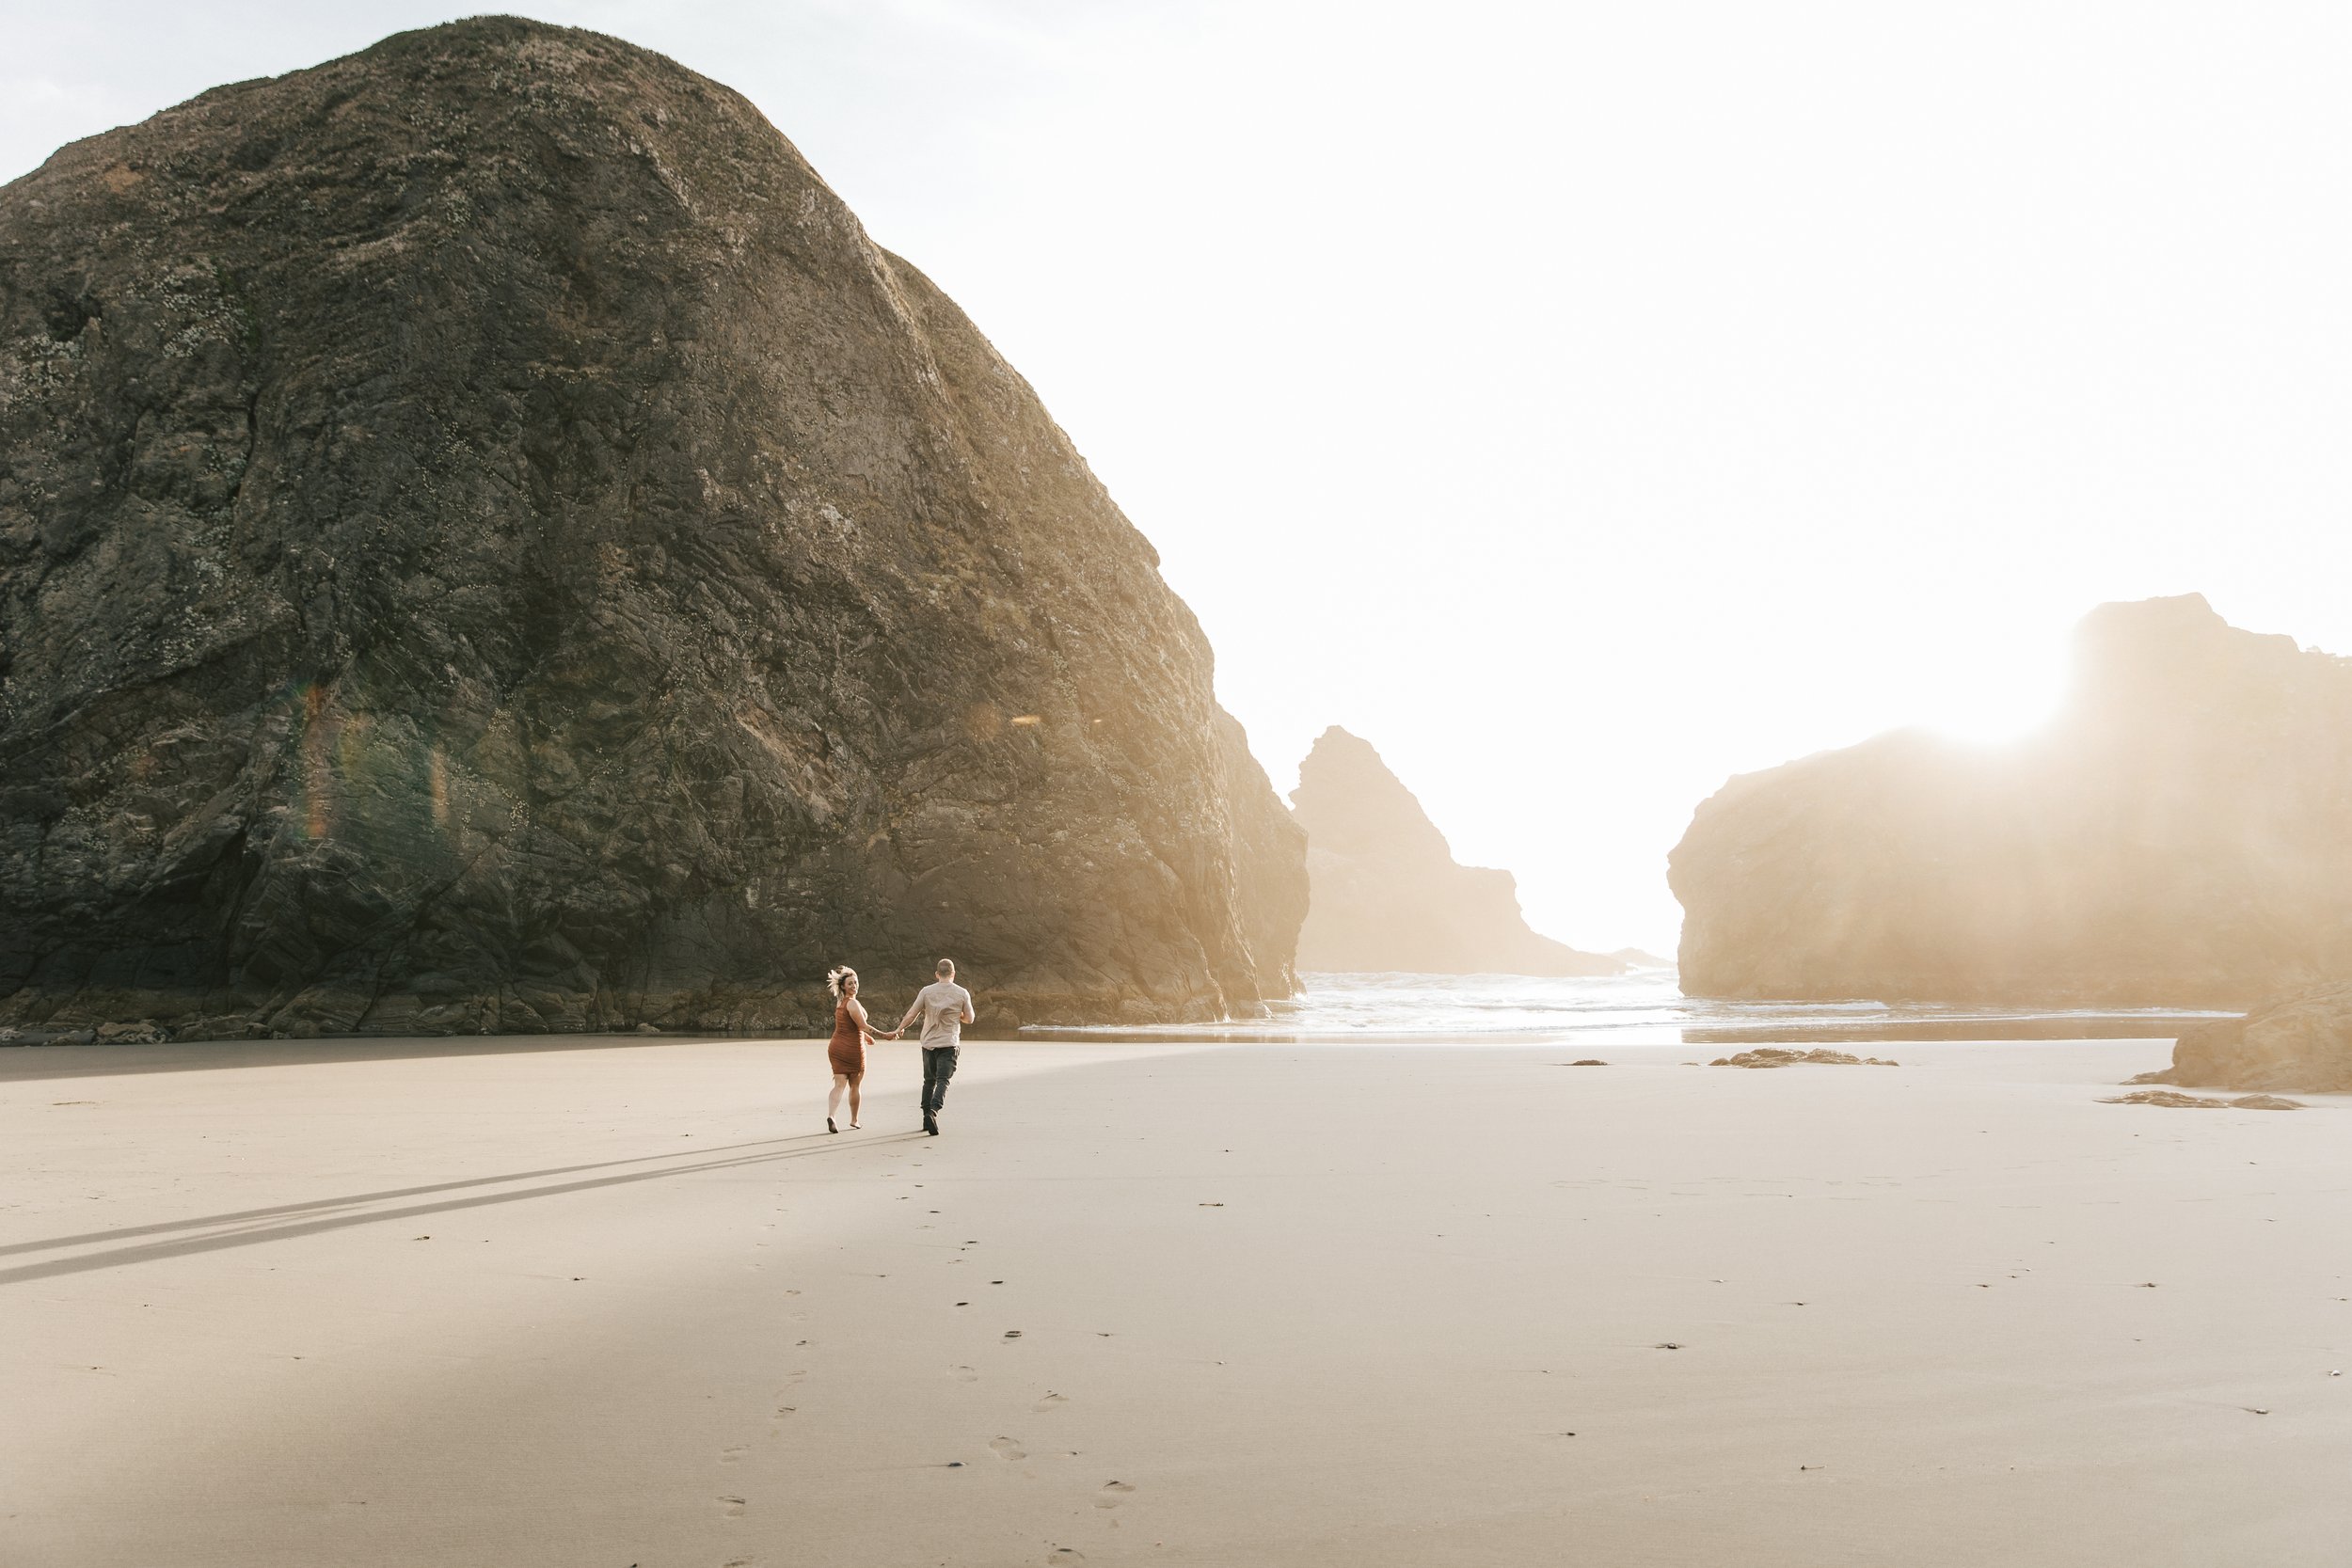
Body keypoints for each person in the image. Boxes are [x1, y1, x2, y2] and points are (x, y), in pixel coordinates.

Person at [897, 958, 975, 1136]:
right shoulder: (962, 993)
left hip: (928, 1043)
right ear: (953, 974)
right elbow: (970, 1019)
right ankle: (933, 1111)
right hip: (949, 1043)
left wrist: (899, 1029)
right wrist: (959, 1015)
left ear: (937, 974)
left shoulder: (926, 991)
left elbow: (911, 1014)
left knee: (928, 1081)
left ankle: (925, 1116)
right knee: (943, 1081)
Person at [823, 967, 896, 1133]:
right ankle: (854, 1120)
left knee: (839, 1084)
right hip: (852, 1049)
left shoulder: (841, 1003)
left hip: (836, 1046)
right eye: (850, 983)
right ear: (843, 986)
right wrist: (886, 1035)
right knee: (855, 1085)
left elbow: (847, 1026)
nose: (854, 985)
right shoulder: (853, 1003)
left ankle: (831, 1116)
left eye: (856, 982)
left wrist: (865, 1037)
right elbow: (862, 1026)